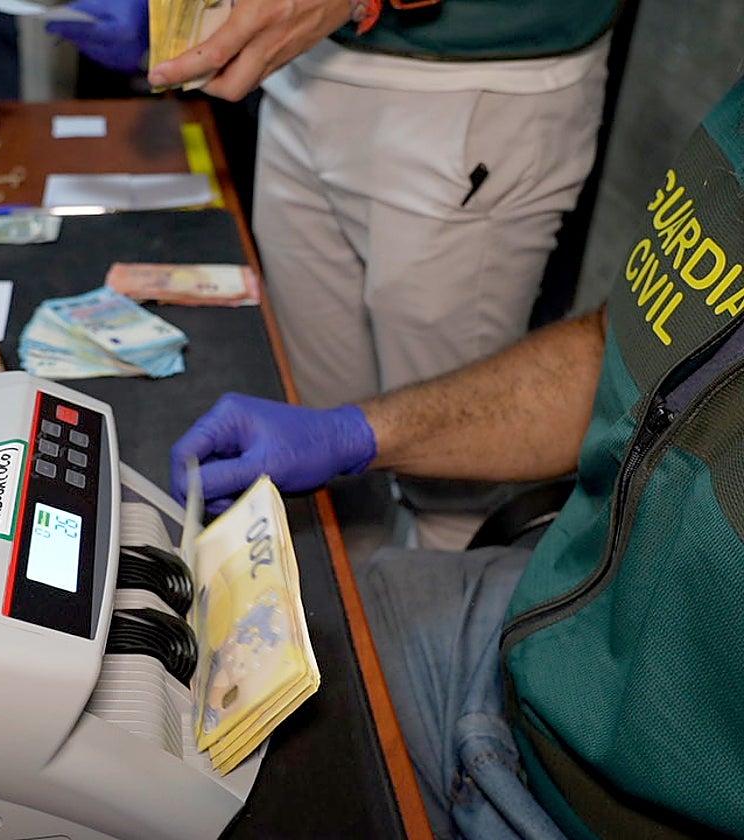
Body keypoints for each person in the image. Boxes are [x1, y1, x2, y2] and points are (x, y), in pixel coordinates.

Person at [169, 75, 744, 838]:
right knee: (197, 686)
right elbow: (620, 347)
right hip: (519, 637)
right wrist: (355, 432)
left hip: (592, 810)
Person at [50, 0, 624, 550]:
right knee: (314, 425)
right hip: (299, 62)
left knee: (447, 469)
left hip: (463, 84)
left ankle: (418, 630)